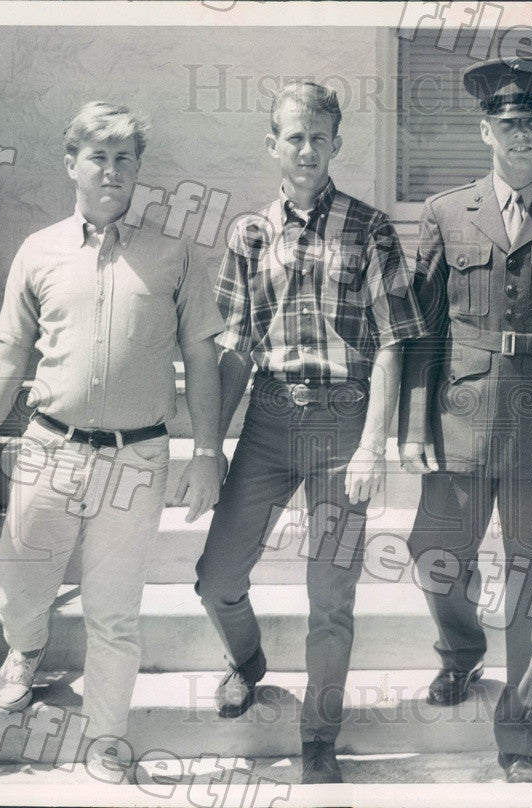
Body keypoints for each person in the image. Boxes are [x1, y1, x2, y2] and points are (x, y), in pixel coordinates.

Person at [0, 102, 224, 776]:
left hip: (139, 458)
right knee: (19, 593)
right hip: (48, 447)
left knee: (114, 611)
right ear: (72, 164)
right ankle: (27, 648)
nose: (112, 169)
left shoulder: (172, 255)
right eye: (98, 155)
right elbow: (9, 357)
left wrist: (209, 453)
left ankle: (105, 736)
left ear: (137, 171)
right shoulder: (38, 252)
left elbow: (203, 356)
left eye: (125, 158)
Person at [195, 81, 427, 785]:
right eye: (293, 137)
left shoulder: (371, 228)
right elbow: (234, 348)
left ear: (336, 145)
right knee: (216, 577)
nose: (306, 150)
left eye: (319, 138)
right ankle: (247, 660)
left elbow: (394, 343)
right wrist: (209, 448)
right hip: (267, 420)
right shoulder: (248, 233)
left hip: (341, 423)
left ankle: (319, 737)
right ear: (273, 145)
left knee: (331, 595)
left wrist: (370, 447)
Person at [398, 57, 532, 783]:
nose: (519, 136)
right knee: (434, 556)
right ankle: (461, 655)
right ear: (484, 128)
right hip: (459, 414)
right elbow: (423, 330)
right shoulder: (444, 211)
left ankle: (523, 733)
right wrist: (411, 427)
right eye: (505, 122)